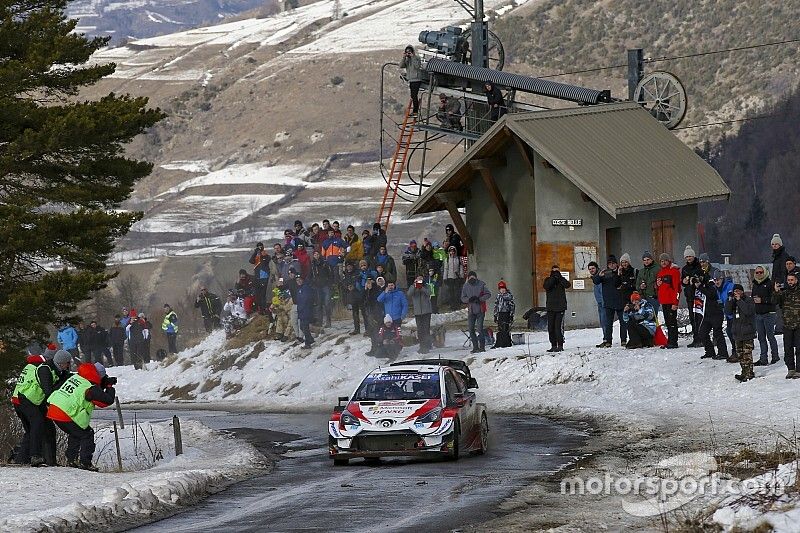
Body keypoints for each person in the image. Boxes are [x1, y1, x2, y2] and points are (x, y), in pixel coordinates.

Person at [47, 362, 116, 471]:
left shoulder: (76, 378)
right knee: (87, 434)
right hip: (65, 413)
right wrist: (109, 386)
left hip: (54, 409)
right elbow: (106, 401)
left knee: (76, 432)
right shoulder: (90, 387)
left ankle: (71, 460)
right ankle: (85, 463)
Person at [11, 349, 71, 466]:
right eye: (68, 363)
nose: (69, 365)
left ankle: (44, 460)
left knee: (47, 429)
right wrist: (62, 382)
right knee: (37, 424)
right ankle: (35, 456)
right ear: (61, 362)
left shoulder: (59, 371)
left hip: (37, 401)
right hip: (27, 399)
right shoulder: (45, 369)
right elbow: (48, 391)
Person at [725, 284, 756, 382]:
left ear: (742, 292)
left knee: (747, 354)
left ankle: (749, 373)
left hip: (747, 331)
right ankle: (744, 372)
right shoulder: (733, 301)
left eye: (738, 291)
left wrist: (739, 300)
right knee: (740, 355)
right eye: (735, 291)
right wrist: (730, 300)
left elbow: (748, 311)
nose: (737, 293)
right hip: (737, 332)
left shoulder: (748, 300)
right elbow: (727, 311)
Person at [592, 255, 625, 348]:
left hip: (619, 301)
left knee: (623, 322)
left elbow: (619, 283)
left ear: (616, 264)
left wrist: (618, 274)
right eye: (609, 264)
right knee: (608, 323)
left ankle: (623, 340)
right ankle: (608, 341)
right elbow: (595, 281)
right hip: (608, 301)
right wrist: (599, 276)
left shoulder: (620, 271)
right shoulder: (605, 273)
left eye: (613, 263)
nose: (611, 265)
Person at [751, 265, 780, 366]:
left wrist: (762, 300)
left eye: (761, 272)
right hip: (758, 314)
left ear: (765, 273)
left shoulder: (770, 283)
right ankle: (763, 358)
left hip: (769, 313)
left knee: (770, 336)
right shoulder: (754, 284)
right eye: (757, 272)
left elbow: (774, 299)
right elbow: (752, 297)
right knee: (761, 337)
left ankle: (775, 356)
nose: (759, 274)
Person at [697, 274, 729, 361]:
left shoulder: (712, 286)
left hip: (716, 313)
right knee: (702, 333)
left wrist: (700, 286)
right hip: (707, 314)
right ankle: (710, 351)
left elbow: (711, 295)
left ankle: (723, 353)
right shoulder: (705, 286)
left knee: (717, 333)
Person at [774, 272, 800, 379]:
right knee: (788, 349)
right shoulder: (784, 293)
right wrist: (776, 292)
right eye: (788, 280)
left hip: (799, 325)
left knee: (799, 349)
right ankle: (791, 369)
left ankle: (799, 370)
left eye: (792, 280)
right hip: (787, 325)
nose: (790, 282)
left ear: (796, 280)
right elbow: (775, 301)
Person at [461, 271, 491, 353]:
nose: (472, 279)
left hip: (480, 310)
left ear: (476, 277)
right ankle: (475, 347)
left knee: (479, 329)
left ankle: (482, 347)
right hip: (471, 310)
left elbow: (488, 294)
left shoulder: (481, 284)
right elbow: (463, 298)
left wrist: (480, 299)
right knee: (471, 329)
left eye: (473, 277)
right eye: (470, 277)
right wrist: (468, 300)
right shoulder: (465, 286)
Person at [656, 253, 681, 349]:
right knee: (668, 322)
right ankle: (669, 341)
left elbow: (677, 288)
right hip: (664, 301)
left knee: (672, 322)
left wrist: (676, 302)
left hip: (671, 301)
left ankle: (673, 342)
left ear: (668, 261)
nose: (663, 263)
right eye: (662, 261)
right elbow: (660, 287)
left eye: (665, 261)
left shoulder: (674, 272)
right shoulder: (660, 273)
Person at [680, 245, 703, 347]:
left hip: (699, 295)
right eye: (687, 257)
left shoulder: (699, 266)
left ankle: (702, 338)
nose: (689, 258)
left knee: (699, 317)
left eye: (690, 256)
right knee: (692, 317)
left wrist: (694, 280)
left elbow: (701, 279)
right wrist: (684, 281)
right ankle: (696, 338)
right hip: (689, 295)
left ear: (693, 256)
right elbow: (683, 282)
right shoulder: (684, 269)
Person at [544, 266, 570, 352]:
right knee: (550, 328)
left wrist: (560, 278)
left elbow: (567, 285)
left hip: (560, 308)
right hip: (551, 307)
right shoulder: (548, 279)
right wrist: (553, 278)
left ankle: (560, 345)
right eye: (554, 271)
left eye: (557, 271)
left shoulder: (561, 280)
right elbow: (547, 286)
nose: (555, 273)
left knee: (558, 327)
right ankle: (553, 345)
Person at [407, 277, 433, 354]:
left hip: (426, 311)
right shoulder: (413, 287)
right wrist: (414, 286)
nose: (419, 281)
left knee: (426, 329)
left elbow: (429, 293)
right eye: (417, 280)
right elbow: (409, 294)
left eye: (420, 280)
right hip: (418, 312)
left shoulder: (426, 286)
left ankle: (427, 345)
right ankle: (422, 345)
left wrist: (421, 287)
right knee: (420, 330)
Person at [310, 249, 334, 328]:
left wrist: (330, 282)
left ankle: (328, 321)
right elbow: (310, 275)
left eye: (317, 254)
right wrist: (311, 283)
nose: (316, 256)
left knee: (327, 304)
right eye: (315, 255)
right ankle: (320, 322)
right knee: (319, 305)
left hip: (325, 285)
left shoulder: (324, 263)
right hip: (317, 286)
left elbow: (330, 274)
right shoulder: (312, 264)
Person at [400, 45, 424, 116]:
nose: (408, 53)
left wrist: (413, 57)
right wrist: (404, 57)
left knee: (414, 95)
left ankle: (415, 111)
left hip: (416, 79)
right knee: (413, 95)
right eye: (407, 52)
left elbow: (417, 66)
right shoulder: (407, 60)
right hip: (411, 80)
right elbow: (401, 66)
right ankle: (415, 111)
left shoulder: (417, 58)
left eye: (409, 52)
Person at [493, 280, 516, 349]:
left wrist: (511, 315)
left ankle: (506, 342)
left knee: (506, 328)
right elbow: (496, 305)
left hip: (507, 313)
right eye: (500, 289)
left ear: (505, 289)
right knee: (500, 328)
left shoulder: (509, 296)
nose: (502, 290)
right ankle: (501, 341)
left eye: (503, 289)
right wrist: (495, 315)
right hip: (500, 313)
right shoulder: (498, 296)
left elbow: (512, 306)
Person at [295, 275, 315, 349]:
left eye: (300, 279)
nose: (299, 281)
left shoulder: (306, 288)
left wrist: (301, 308)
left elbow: (305, 299)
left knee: (305, 327)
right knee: (302, 327)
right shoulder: (299, 288)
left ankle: (308, 343)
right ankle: (310, 339)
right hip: (302, 311)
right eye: (297, 280)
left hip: (306, 310)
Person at [442, 245, 463, 311]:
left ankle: (457, 305)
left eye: (453, 251)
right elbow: (446, 269)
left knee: (457, 292)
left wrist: (461, 276)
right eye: (451, 251)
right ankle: (452, 305)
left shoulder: (458, 259)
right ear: (449, 252)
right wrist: (445, 278)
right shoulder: (447, 259)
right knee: (451, 292)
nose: (452, 252)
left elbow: (461, 268)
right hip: (450, 277)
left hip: (457, 277)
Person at [587, 262, 606, 330]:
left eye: (593, 268)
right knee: (602, 321)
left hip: (603, 302)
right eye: (590, 269)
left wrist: (603, 302)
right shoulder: (595, 277)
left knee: (604, 321)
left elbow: (602, 291)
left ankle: (606, 338)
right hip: (600, 302)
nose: (591, 270)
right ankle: (605, 337)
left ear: (597, 268)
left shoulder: (600, 276)